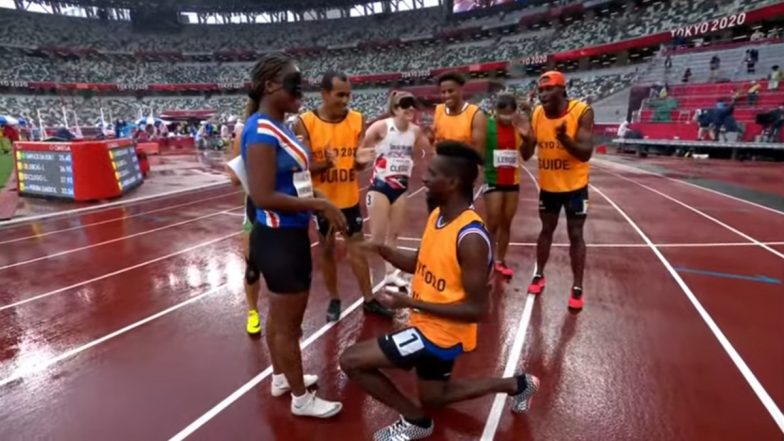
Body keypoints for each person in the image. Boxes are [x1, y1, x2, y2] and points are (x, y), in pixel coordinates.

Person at [340, 141, 539, 441]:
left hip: (439, 334)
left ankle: (415, 421)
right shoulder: (439, 216)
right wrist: (382, 249)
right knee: (435, 396)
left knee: (351, 361)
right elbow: (420, 262)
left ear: (453, 182)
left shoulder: (471, 237)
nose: (425, 178)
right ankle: (518, 385)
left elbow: (477, 310)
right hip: (425, 323)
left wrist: (409, 302)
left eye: (432, 173)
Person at [243, 52, 346, 418]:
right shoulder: (259, 129)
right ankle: (302, 399)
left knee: (280, 320)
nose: (300, 88)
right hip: (279, 240)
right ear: (270, 85)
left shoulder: (282, 127)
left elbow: (295, 183)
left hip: (287, 236)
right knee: (288, 326)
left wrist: (319, 198)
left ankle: (281, 377)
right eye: (293, 82)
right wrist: (321, 207)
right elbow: (263, 195)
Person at [295, 71, 393, 322]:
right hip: (323, 203)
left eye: (348, 94)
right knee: (327, 251)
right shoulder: (305, 122)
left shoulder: (358, 120)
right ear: (324, 94)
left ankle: (369, 299)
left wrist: (361, 164)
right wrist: (325, 165)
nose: (345, 100)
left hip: (349, 200)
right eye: (339, 95)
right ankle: (334, 298)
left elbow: (358, 164)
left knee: (357, 250)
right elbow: (300, 167)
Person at [520, 71, 594, 311]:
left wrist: (564, 139)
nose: (543, 94)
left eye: (548, 89)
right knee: (546, 231)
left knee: (575, 235)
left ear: (562, 90)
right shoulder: (537, 113)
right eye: (540, 90)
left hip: (575, 187)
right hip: (549, 187)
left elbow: (585, 153)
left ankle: (577, 286)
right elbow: (526, 154)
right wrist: (526, 137)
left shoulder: (581, 111)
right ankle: (539, 274)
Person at [356, 91, 430, 289]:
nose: (410, 109)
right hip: (380, 187)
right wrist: (363, 157)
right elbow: (360, 152)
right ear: (395, 108)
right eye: (404, 105)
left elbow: (430, 153)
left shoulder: (415, 131)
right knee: (377, 239)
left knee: (394, 236)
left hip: (401, 189)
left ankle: (390, 274)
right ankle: (359, 264)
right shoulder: (381, 127)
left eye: (412, 104)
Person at [224, 112, 265, 335]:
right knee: (252, 269)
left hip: (282, 210)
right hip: (254, 209)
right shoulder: (245, 134)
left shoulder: (288, 132)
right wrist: (233, 170)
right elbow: (233, 179)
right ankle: (253, 313)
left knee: (285, 269)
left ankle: (287, 317)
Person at [483, 94, 530, 277]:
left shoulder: (518, 127)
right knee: (492, 222)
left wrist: (526, 138)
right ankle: (487, 258)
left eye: (510, 113)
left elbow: (526, 153)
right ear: (496, 111)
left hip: (512, 181)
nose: (506, 117)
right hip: (493, 179)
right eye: (502, 113)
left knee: (506, 223)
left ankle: (501, 260)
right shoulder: (488, 126)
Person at [428, 71, 487, 213]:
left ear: (460, 90)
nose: (446, 95)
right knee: (437, 220)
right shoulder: (439, 111)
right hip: (439, 176)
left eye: (450, 91)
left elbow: (478, 154)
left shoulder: (475, 114)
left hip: (460, 180)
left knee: (459, 220)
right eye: (443, 92)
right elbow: (434, 143)